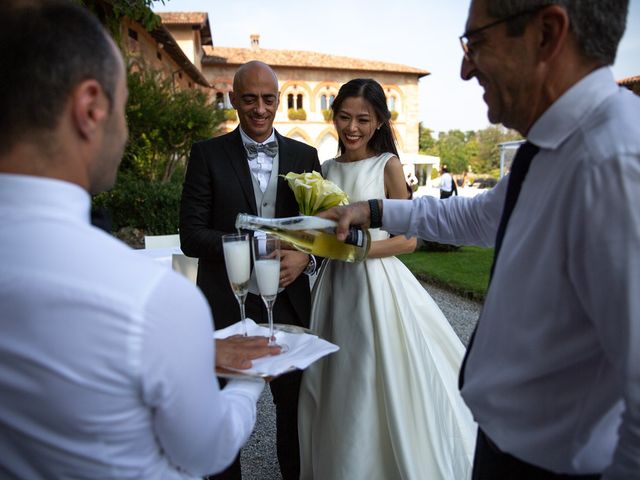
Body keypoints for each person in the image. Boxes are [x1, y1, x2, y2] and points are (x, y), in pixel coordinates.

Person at [319, 0, 640, 478]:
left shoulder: (614, 164)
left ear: (548, 34)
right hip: (503, 448)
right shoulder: (554, 145)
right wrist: (373, 210)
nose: (465, 68)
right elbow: (479, 217)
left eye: (478, 42)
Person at [0, 1, 283, 478]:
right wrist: (246, 380)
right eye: (125, 106)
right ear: (91, 108)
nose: (126, 129)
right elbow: (206, 450)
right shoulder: (151, 301)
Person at [298, 78, 476, 480]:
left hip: (377, 284)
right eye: (344, 117)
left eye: (363, 119)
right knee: (334, 378)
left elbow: (408, 240)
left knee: (372, 373)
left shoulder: (388, 166)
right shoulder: (324, 170)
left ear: (380, 121)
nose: (352, 127)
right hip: (333, 288)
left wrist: (358, 251)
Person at [179, 60, 321, 480]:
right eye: (250, 99)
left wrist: (308, 257)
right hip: (227, 302)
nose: (260, 109)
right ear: (233, 100)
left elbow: (318, 232)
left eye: (268, 99)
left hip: (290, 303)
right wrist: (252, 245)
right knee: (222, 412)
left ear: (279, 100)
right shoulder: (206, 154)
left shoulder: (305, 155)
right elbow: (191, 235)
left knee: (295, 414)